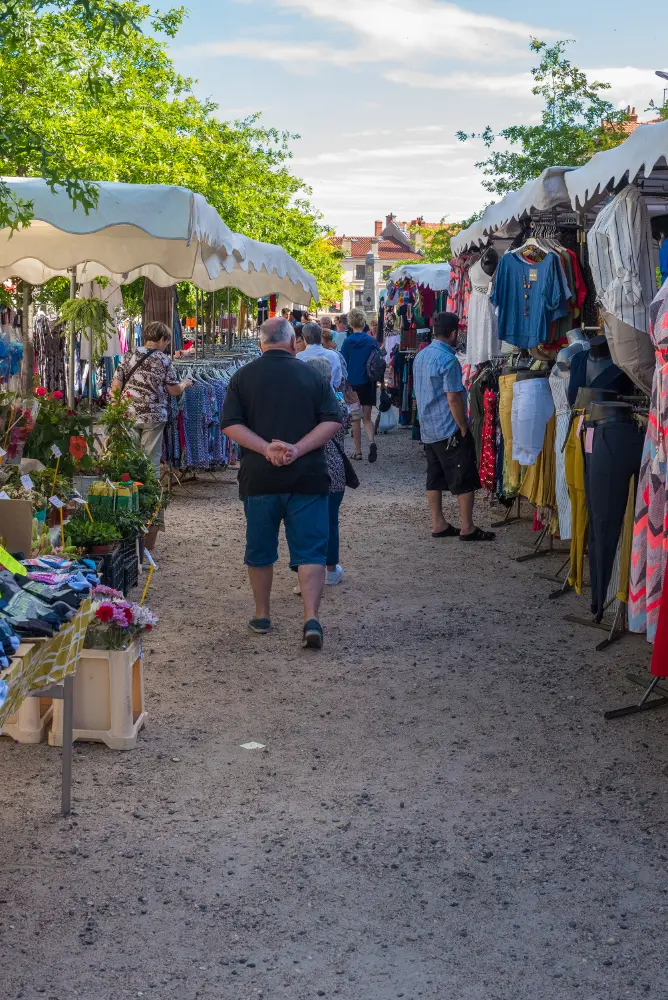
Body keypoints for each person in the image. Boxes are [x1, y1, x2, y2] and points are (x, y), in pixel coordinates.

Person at [221, 317, 342, 649]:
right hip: (308, 476)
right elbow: (333, 420)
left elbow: (230, 424)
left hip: (260, 477)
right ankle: (311, 618)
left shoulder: (242, 377)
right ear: (293, 342)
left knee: (260, 549)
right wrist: (298, 449)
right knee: (311, 551)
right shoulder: (313, 375)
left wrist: (265, 448)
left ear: (261, 343)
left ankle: (262, 614)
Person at [413, 311, 495, 542]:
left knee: (434, 476)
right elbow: (453, 398)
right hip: (447, 426)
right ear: (453, 333)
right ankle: (467, 526)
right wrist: (462, 426)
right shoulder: (448, 360)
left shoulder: (421, 356)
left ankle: (438, 523)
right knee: (463, 475)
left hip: (428, 426)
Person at [112, 320, 192, 477]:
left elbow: (116, 384)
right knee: (150, 461)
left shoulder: (129, 355)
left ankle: (131, 489)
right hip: (153, 415)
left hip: (128, 412)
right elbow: (173, 390)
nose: (166, 346)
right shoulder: (164, 359)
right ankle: (149, 490)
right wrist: (184, 383)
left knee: (129, 458)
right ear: (162, 339)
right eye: (167, 342)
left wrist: (115, 408)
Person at [341, 307, 378, 463]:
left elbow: (343, 362)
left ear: (350, 323)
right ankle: (372, 442)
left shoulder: (347, 342)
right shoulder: (371, 341)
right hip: (368, 382)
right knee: (367, 419)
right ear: (363, 322)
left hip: (352, 384)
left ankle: (358, 452)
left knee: (355, 419)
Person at [296, 322, 343, 389]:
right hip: (328, 393)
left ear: (303, 337)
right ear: (321, 336)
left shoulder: (298, 357)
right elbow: (337, 382)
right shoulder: (334, 355)